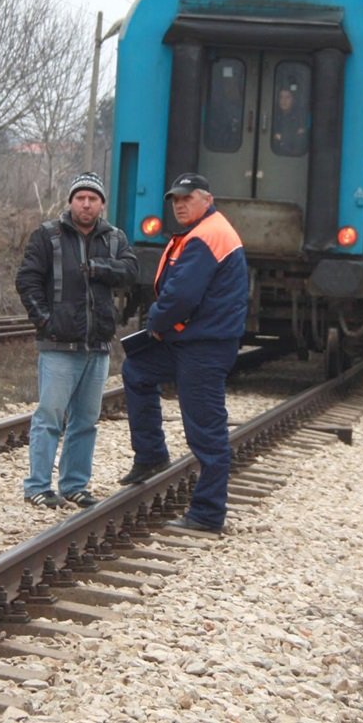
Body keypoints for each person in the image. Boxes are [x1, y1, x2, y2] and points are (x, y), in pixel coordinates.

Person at [119, 172, 248, 534]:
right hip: (190, 341)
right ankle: (151, 456)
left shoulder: (207, 236)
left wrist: (155, 323)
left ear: (207, 199)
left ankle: (208, 514)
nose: (179, 205)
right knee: (137, 372)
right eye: (175, 200)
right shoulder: (202, 232)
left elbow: (181, 296)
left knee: (206, 430)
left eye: (187, 198)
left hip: (203, 346)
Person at [15, 172, 137, 509]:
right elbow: (27, 280)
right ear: (70, 202)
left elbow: (131, 271)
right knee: (49, 417)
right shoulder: (47, 236)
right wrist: (44, 320)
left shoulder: (115, 238)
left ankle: (74, 485)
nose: (86, 203)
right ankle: (37, 486)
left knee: (86, 421)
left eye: (93, 198)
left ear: (101, 204)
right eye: (80, 197)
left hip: (97, 345)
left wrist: (98, 268)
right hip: (58, 345)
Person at [271, 87, 309, 156]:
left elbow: (300, 139)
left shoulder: (300, 118)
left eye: (287, 97)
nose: (283, 101)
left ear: (294, 100)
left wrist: (282, 137)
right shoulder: (274, 115)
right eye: (281, 97)